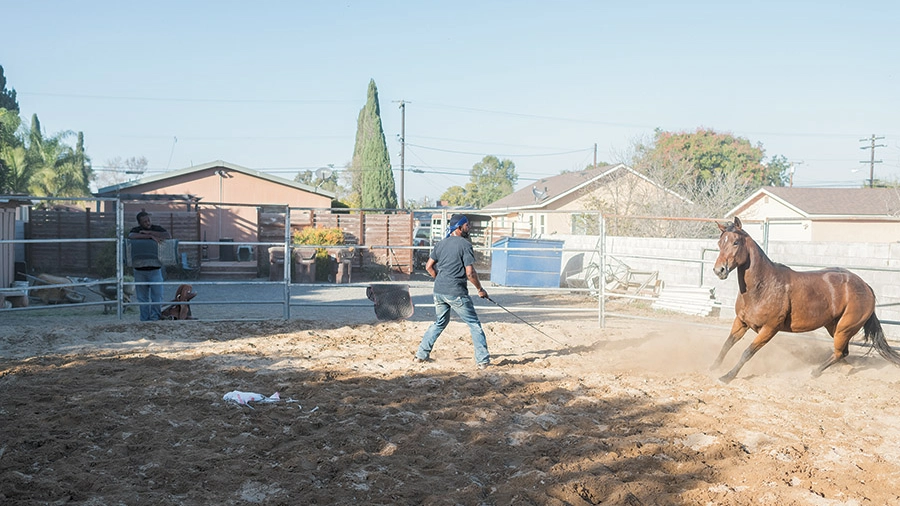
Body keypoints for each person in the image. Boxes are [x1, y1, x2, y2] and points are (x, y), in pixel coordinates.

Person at [414, 214, 491, 369]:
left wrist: (440, 279)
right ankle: (482, 360)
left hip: (439, 291)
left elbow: (428, 267)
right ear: (459, 227)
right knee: (474, 324)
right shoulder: (465, 245)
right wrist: (480, 289)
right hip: (456, 291)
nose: (469, 228)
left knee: (440, 322)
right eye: (467, 225)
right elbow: (470, 273)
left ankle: (421, 354)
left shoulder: (441, 244)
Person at [128, 211, 171, 321]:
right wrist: (148, 236)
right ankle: (144, 319)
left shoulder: (157, 228)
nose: (148, 223)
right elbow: (131, 236)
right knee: (142, 298)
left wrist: (151, 234)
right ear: (139, 222)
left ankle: (155, 318)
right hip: (139, 270)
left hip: (155, 269)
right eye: (145, 221)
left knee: (157, 296)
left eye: (148, 220)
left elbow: (167, 235)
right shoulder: (136, 231)